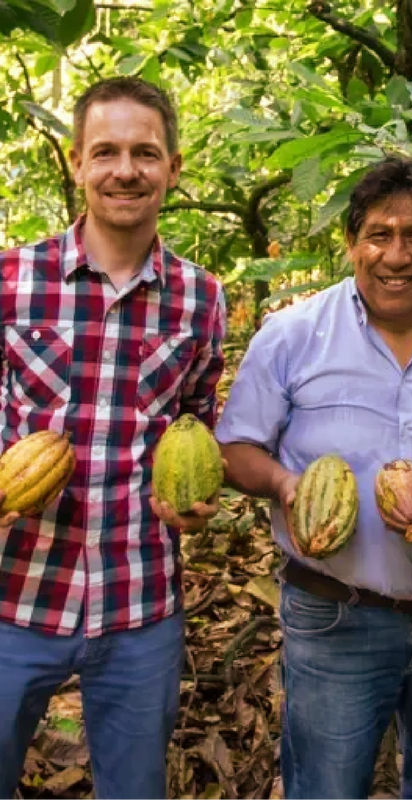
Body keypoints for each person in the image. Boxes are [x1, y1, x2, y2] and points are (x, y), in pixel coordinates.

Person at [216, 157, 412, 800]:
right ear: (352, 244)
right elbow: (236, 447)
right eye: (378, 234)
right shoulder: (293, 335)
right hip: (337, 614)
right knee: (328, 788)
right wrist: (286, 487)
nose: (396, 255)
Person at [0, 77, 225, 800]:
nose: (125, 169)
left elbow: (197, 423)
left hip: (139, 603)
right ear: (76, 162)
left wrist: (194, 502)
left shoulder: (201, 297)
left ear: (174, 167)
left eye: (144, 152)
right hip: (12, 596)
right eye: (106, 151)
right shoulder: (11, 279)